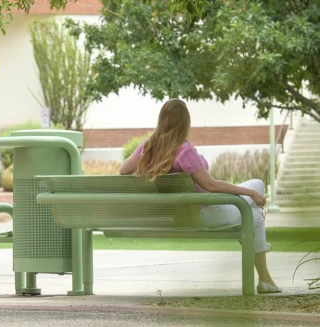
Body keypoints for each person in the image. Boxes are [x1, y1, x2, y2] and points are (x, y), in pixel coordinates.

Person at [119, 99, 281, 294]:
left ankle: (261, 259)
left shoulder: (149, 147)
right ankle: (264, 276)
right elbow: (211, 185)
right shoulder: (184, 150)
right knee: (255, 212)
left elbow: (123, 169)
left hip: (179, 215)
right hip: (206, 213)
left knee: (257, 187)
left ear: (162, 120)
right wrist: (250, 193)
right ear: (185, 123)